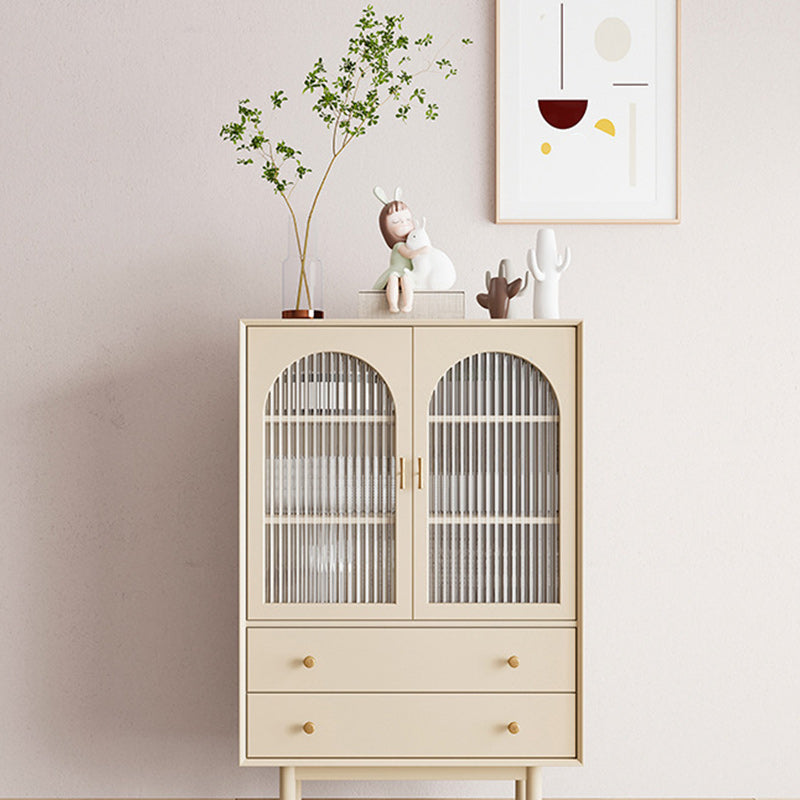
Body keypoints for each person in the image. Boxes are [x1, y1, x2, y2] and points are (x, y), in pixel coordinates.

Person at [372, 192, 430, 313]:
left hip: (406, 272)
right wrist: (421, 250)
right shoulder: (399, 246)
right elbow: (408, 254)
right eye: (396, 221)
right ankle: (393, 305)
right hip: (396, 271)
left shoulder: (410, 244)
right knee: (393, 278)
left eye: (408, 219)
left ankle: (408, 304)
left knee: (406, 279)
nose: (404, 223)